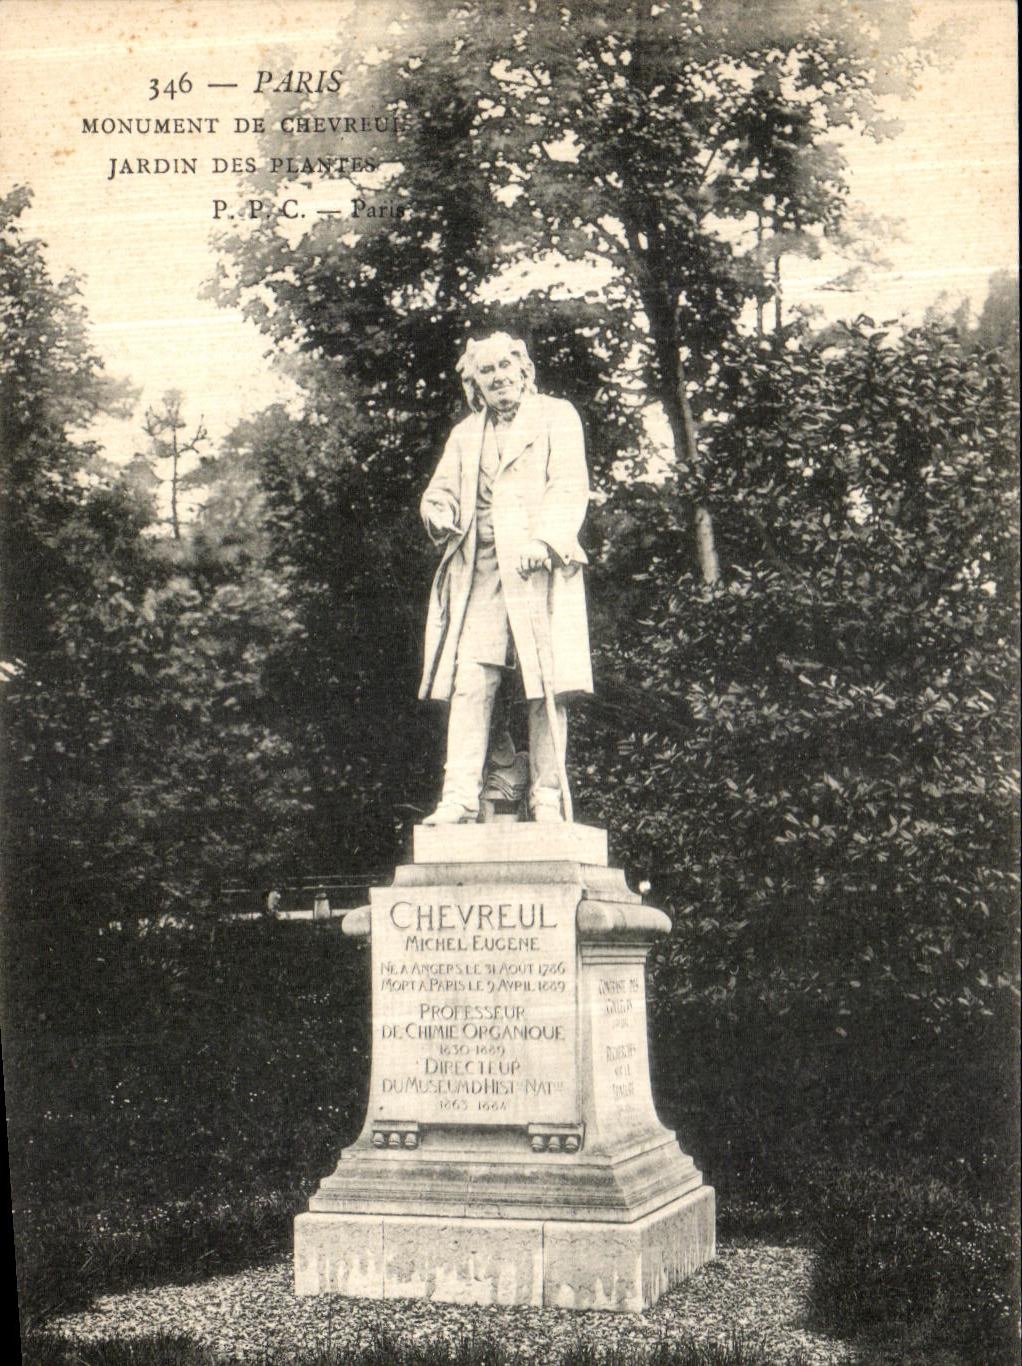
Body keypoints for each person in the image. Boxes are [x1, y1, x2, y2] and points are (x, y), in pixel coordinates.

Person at [418, 333, 593, 824]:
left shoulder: (556, 416)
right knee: (472, 680)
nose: (496, 378)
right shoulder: (466, 434)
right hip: (482, 570)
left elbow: (569, 483)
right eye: (484, 372)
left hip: (539, 568)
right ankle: (459, 796)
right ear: (475, 384)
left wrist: (546, 541)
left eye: (502, 367)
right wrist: (437, 510)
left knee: (546, 685)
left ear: (523, 370)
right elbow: (443, 491)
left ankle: (547, 797)